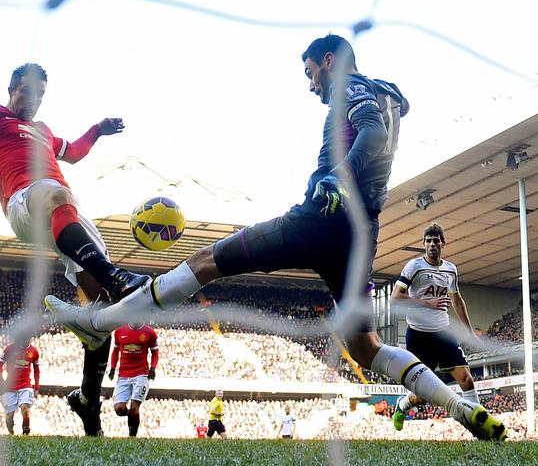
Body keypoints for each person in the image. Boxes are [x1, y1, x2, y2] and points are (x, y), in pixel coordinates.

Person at [44, 34, 506, 441]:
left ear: (329, 60)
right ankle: (460, 406)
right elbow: (385, 125)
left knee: (206, 261)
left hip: (320, 218)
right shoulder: (387, 94)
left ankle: (97, 323)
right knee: (365, 348)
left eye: (311, 73)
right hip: (361, 233)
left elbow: (372, 129)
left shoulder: (352, 85)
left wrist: (338, 178)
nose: (312, 86)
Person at [0, 63, 150, 436]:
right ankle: (117, 275)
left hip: (65, 214)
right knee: (58, 196)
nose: (35, 100)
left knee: (103, 310)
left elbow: (73, 153)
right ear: (13, 88)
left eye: (42, 94)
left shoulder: (43, 132)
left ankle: (88, 401)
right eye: (29, 92)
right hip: (24, 202)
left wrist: (97, 130)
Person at [391, 223, 480, 431]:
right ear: (423, 244)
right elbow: (395, 298)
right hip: (419, 336)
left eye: (436, 241)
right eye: (429, 241)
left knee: (467, 380)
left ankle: (479, 426)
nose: (432, 244)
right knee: (422, 396)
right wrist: (427, 303)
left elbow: (457, 301)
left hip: (444, 333)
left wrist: (469, 331)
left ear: (443, 244)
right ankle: (402, 404)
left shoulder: (450, 269)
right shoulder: (414, 267)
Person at [107, 322, 159, 437]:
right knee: (119, 409)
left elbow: (155, 352)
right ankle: (132, 416)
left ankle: (132, 436)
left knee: (134, 407)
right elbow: (115, 351)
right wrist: (112, 368)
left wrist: (153, 368)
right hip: (124, 375)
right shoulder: (119, 331)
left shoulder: (150, 332)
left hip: (141, 373)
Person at [0, 338, 40, 435]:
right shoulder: (9, 349)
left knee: (25, 408)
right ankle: (11, 435)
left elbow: (36, 369)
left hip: (25, 385)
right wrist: (1, 380)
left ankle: (25, 434)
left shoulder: (34, 351)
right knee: (9, 415)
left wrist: (36, 387)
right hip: (9, 386)